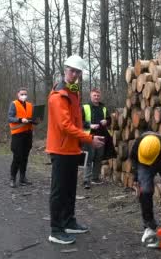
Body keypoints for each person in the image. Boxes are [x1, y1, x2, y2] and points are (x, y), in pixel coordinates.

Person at [46, 55, 105, 245]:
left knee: (70, 189)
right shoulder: (59, 96)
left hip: (72, 149)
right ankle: (56, 230)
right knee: (59, 191)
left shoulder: (74, 93)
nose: (74, 74)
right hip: (60, 149)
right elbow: (65, 126)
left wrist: (82, 140)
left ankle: (69, 221)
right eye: (71, 70)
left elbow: (78, 122)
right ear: (65, 70)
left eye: (77, 72)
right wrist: (88, 138)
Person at [129, 132, 161, 245]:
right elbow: (134, 163)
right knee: (145, 190)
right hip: (143, 162)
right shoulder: (137, 146)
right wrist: (136, 177)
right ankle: (149, 227)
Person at [7, 87, 38, 188]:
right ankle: (12, 178)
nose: (24, 96)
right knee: (17, 157)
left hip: (28, 134)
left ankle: (23, 178)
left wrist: (36, 120)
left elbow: (34, 118)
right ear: (18, 94)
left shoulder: (30, 105)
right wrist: (20, 120)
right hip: (17, 135)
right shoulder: (14, 104)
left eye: (25, 94)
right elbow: (10, 118)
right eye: (22, 94)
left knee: (25, 157)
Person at [82, 88, 111, 189]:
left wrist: (106, 121)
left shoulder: (103, 107)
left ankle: (95, 178)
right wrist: (90, 125)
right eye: (94, 95)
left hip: (101, 135)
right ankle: (86, 180)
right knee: (89, 158)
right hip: (89, 136)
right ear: (91, 96)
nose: (96, 97)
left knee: (98, 157)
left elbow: (109, 119)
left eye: (98, 95)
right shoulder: (85, 107)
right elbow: (79, 122)